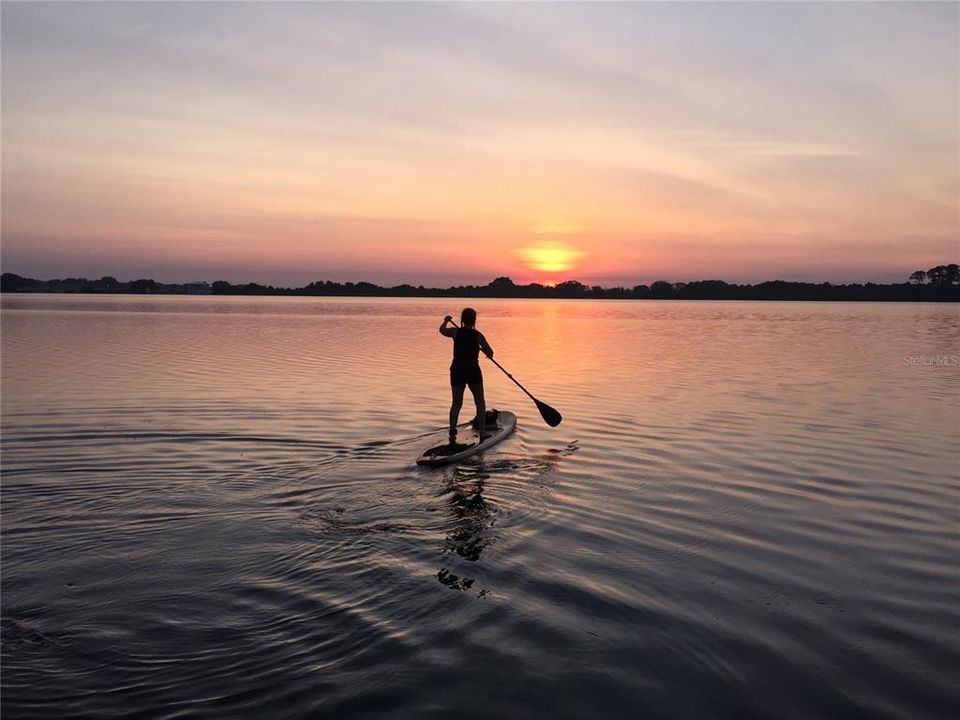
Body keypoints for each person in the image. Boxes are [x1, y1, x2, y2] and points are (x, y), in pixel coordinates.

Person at [439, 308, 494, 445]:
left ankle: (452, 433)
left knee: (456, 403)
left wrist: (445, 321)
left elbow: (441, 330)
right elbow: (490, 352)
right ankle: (482, 432)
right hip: (472, 370)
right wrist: (487, 353)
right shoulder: (477, 335)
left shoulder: (455, 332)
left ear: (462, 320)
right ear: (474, 320)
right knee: (479, 401)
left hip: (457, 370)